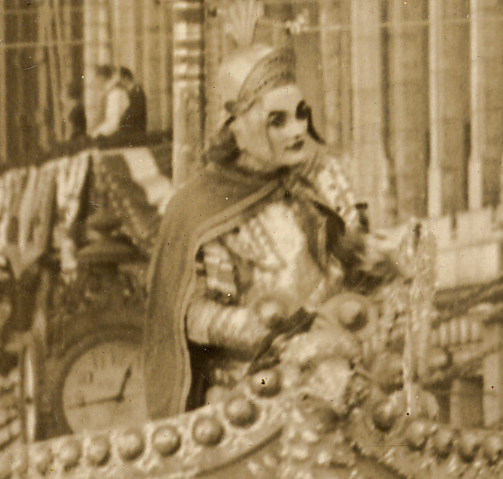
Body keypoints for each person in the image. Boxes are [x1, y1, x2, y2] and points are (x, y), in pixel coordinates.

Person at [140, 41, 391, 417]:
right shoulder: (197, 206)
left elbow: (355, 274)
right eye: (278, 120)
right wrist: (262, 328)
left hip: (340, 377)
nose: (297, 130)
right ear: (238, 129)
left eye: (301, 114)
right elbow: (189, 316)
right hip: (251, 392)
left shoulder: (321, 184)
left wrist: (383, 260)